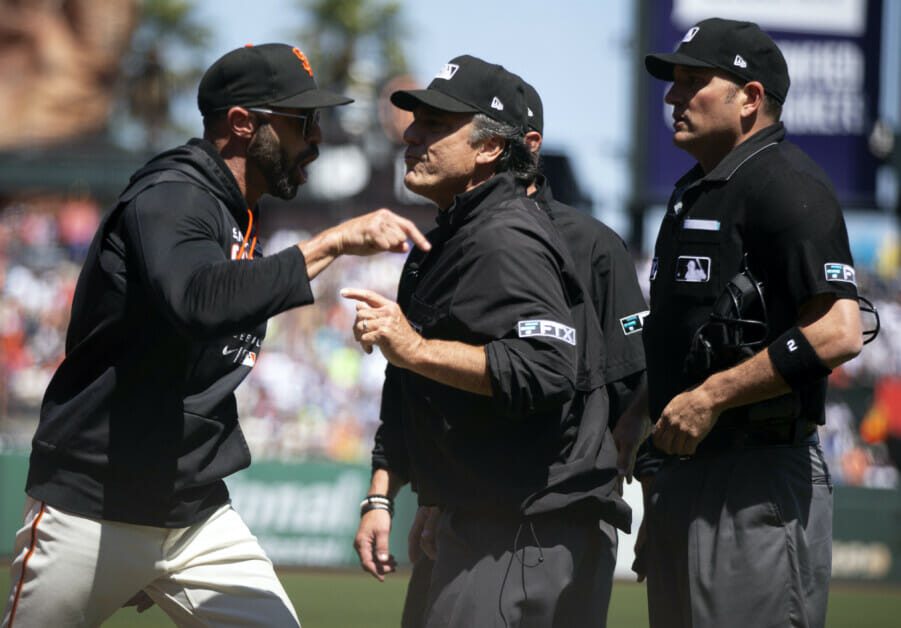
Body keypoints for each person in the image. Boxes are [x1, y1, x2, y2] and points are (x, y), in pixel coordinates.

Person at [1, 42, 429, 628]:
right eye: (302, 121)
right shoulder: (173, 194)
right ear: (242, 123)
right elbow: (198, 301)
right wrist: (332, 242)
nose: (316, 139)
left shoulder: (237, 211)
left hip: (193, 513)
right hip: (94, 504)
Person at [344, 54, 629, 627]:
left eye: (436, 125)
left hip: (523, 527)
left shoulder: (505, 236)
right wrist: (394, 493)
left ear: (490, 147)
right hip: (484, 517)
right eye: (415, 121)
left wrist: (415, 347)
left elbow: (548, 368)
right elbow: (414, 389)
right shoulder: (453, 237)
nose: (412, 135)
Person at [625, 18, 864, 628]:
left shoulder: (787, 181)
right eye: (673, 82)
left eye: (692, 81)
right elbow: (677, 347)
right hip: (688, 479)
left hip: (757, 479)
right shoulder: (695, 191)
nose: (672, 96)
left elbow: (839, 329)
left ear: (750, 97)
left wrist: (712, 395)